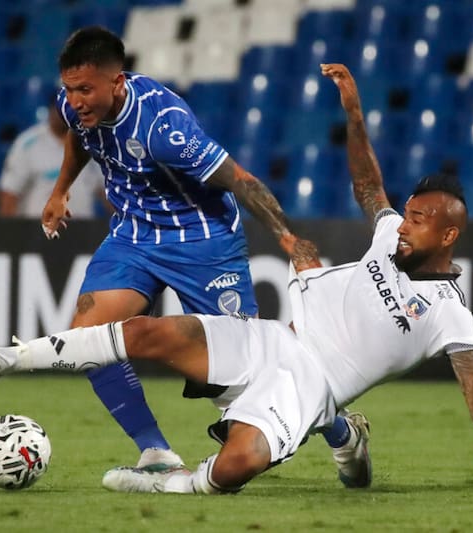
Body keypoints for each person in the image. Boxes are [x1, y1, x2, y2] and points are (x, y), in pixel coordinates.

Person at [0, 63, 473, 494]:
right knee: (147, 332)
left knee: (234, 467)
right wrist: (352, 113)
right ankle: (1, 359)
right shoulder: (387, 230)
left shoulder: (450, 311)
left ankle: (184, 479)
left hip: (310, 387)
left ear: (448, 237)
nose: (405, 226)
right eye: (409, 213)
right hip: (278, 337)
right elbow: (369, 186)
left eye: (420, 221)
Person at [22, 25, 315, 472]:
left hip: (202, 239)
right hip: (136, 233)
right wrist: (61, 190)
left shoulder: (165, 128)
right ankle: (155, 451)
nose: (75, 100)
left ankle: (338, 427)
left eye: (85, 89)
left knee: (245, 371)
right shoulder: (74, 106)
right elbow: (81, 140)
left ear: (117, 82)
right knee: (86, 339)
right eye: (69, 89)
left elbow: (240, 180)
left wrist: (287, 237)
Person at [0, 97, 105, 218]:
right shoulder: (27, 144)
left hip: (84, 231)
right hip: (37, 231)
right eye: (62, 107)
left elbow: (106, 191)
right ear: (51, 109)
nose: (66, 112)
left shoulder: (92, 141)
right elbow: (10, 194)